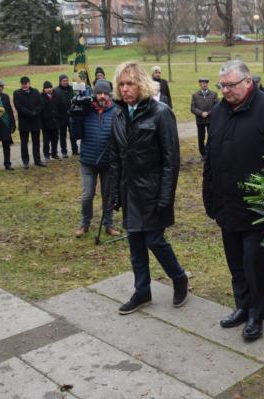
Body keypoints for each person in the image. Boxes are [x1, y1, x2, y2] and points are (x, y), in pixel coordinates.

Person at [203, 60, 264, 341]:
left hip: (258, 207)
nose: (226, 90)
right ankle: (242, 306)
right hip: (226, 203)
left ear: (247, 83)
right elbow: (211, 155)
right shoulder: (218, 111)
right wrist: (209, 194)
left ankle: (257, 313)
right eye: (222, 85)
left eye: (231, 85)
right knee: (235, 262)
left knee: (254, 262)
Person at [109, 61, 188, 314]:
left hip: (153, 192)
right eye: (121, 84)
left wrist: (165, 196)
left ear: (141, 84)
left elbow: (171, 160)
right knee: (135, 244)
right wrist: (114, 194)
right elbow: (116, 157)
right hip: (129, 191)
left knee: (155, 240)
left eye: (129, 83)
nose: (125, 89)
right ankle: (142, 291)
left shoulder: (160, 113)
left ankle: (179, 277)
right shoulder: (119, 114)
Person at [75, 80, 121, 238]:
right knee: (87, 194)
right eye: (99, 93)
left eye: (105, 93)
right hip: (88, 161)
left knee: (107, 195)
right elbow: (76, 134)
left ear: (109, 95)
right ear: (94, 94)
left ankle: (108, 224)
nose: (102, 96)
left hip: (108, 162)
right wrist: (74, 116)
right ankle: (84, 223)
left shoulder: (116, 111)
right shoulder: (86, 110)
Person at [13, 76, 45, 169]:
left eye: (26, 83)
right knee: (24, 142)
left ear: (29, 83)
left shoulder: (35, 91)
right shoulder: (17, 93)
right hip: (24, 122)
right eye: (23, 83)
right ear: (21, 84)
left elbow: (41, 103)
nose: (24, 85)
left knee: (36, 142)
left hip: (35, 121)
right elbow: (18, 106)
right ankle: (25, 161)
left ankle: (37, 160)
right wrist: (30, 113)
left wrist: (35, 112)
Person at [190, 77, 218, 159]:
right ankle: (203, 154)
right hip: (200, 120)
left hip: (211, 120)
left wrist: (209, 113)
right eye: (202, 83)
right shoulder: (195, 95)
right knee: (201, 138)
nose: (204, 84)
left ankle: (211, 152)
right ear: (200, 84)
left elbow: (217, 106)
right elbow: (192, 108)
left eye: (206, 83)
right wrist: (201, 113)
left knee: (211, 136)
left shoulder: (214, 94)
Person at [53, 74, 75, 158]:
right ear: (60, 81)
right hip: (61, 116)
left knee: (73, 133)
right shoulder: (56, 90)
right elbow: (55, 104)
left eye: (66, 80)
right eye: (64, 81)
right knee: (63, 135)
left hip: (71, 115)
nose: (66, 82)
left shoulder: (72, 88)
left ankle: (75, 149)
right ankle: (64, 151)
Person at [40, 81, 58, 161]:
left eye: (50, 87)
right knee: (46, 140)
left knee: (55, 139)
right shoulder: (41, 97)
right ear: (44, 89)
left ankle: (54, 153)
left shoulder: (55, 95)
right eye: (47, 88)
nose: (49, 89)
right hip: (46, 123)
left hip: (55, 122)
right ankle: (46, 154)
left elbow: (59, 107)